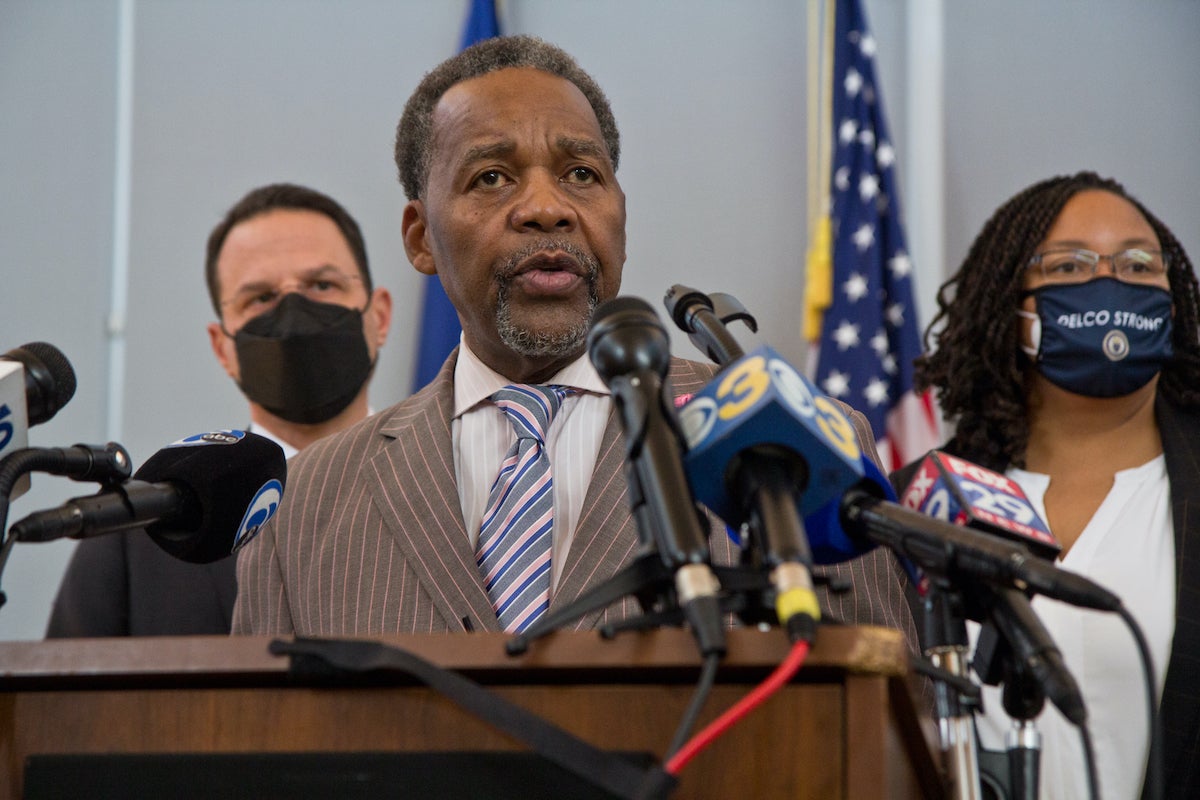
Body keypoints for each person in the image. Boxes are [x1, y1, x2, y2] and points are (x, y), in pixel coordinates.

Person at [232, 36, 917, 648]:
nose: (546, 207)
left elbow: (882, 733)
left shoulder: (792, 450)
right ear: (420, 238)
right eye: (491, 177)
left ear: (620, 214)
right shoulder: (304, 505)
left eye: (581, 174)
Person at [896, 171, 1200, 799]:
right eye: (1069, 266)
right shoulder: (913, 505)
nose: (1109, 282)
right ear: (1010, 305)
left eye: (1140, 264)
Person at [45, 183, 393, 636]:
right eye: (261, 298)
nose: (292, 313)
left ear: (379, 317)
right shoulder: (140, 523)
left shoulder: (456, 483)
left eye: (321, 285)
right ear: (222, 347)